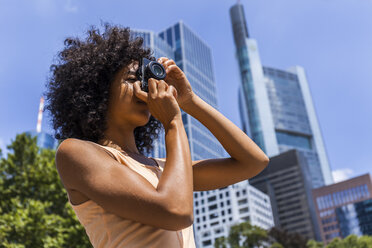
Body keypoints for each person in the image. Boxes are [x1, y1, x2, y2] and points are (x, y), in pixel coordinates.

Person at [43, 22, 269, 248]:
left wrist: (190, 101)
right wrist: (172, 121)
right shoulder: (76, 153)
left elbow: (253, 162)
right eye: (132, 80)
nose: (146, 87)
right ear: (97, 92)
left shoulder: (164, 168)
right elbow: (175, 211)